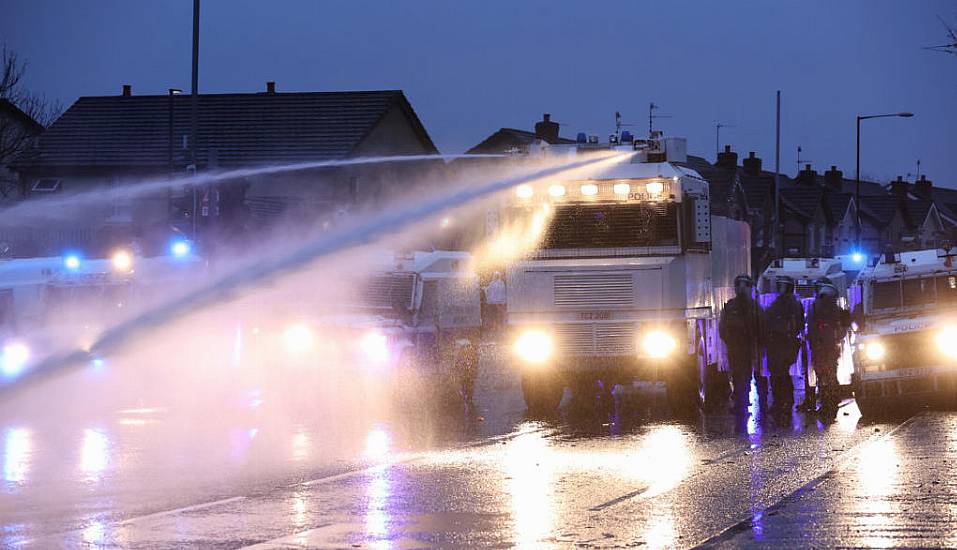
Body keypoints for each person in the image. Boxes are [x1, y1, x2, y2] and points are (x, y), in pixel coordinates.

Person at [719, 274, 765, 414]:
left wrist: (759, 346)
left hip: (749, 347)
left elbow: (761, 327)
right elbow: (723, 327)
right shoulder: (731, 306)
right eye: (739, 285)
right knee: (738, 376)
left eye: (744, 285)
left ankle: (748, 403)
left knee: (749, 376)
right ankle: (741, 403)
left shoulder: (754, 306)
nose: (741, 288)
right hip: (736, 347)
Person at [806, 279, 851, 417]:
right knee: (830, 376)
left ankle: (827, 403)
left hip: (821, 349)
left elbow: (811, 329)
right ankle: (831, 402)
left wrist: (815, 344)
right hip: (830, 349)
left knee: (824, 377)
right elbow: (844, 328)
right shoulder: (835, 309)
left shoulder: (815, 308)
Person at [764, 275, 805, 415]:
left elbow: (797, 324)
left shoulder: (789, 304)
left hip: (783, 343)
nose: (779, 288)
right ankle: (782, 402)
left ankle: (783, 402)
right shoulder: (783, 303)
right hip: (779, 343)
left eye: (781, 285)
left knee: (780, 374)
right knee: (779, 374)